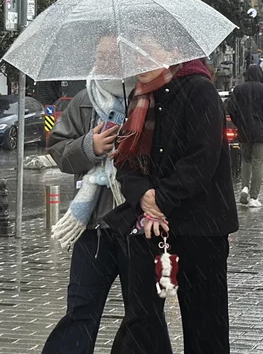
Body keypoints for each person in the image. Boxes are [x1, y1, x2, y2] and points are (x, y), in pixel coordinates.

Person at [106, 41, 238, 354]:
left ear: (172, 52)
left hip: (200, 229)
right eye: (136, 52)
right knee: (141, 321)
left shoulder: (200, 90)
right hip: (151, 231)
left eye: (148, 50)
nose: (140, 59)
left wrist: (159, 200)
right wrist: (143, 196)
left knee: (205, 327)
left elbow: (201, 160)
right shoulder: (141, 96)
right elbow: (125, 161)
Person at [42, 36, 168, 354]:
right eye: (99, 55)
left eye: (112, 55)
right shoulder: (85, 100)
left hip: (139, 225)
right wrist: (90, 146)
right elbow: (58, 149)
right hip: (94, 227)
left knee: (145, 315)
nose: (103, 62)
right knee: (81, 309)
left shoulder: (149, 98)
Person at [229, 64, 263, 208]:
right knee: (258, 163)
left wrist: (239, 123)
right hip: (261, 132)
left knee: (245, 160)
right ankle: (253, 197)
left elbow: (231, 109)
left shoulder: (239, 90)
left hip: (244, 131)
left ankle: (244, 187)